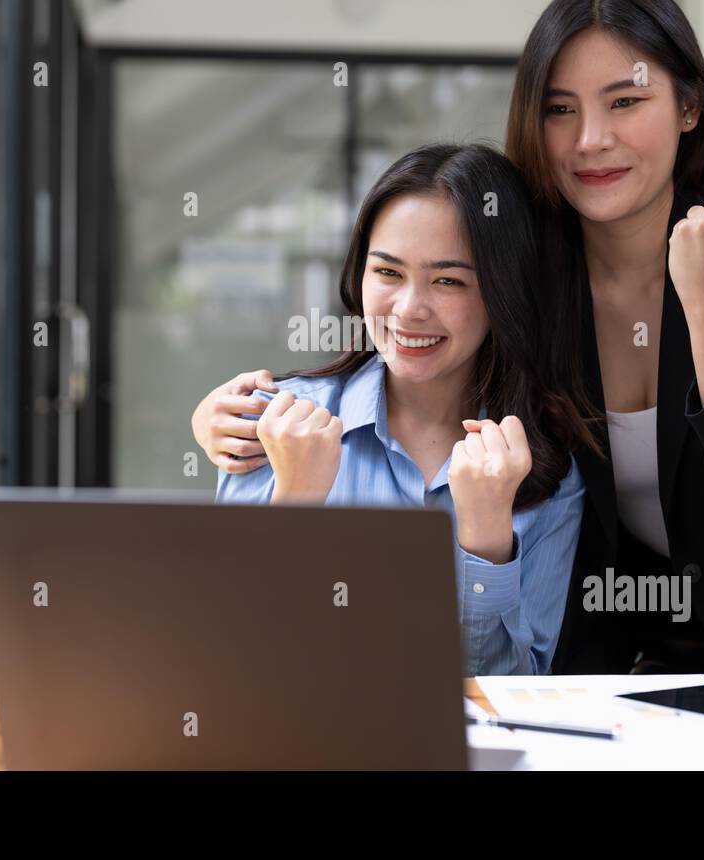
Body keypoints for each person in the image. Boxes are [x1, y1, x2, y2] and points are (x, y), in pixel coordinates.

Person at [196, 0, 704, 675]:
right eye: (560, 109)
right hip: (661, 657)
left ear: (689, 106)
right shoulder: (530, 267)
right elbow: (419, 338)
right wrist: (238, 417)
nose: (589, 139)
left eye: (625, 102)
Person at [215, 143, 592, 676]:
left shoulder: (542, 468)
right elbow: (230, 660)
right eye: (388, 273)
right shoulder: (272, 428)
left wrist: (486, 538)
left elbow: (509, 690)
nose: (410, 309)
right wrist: (294, 504)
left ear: (503, 293)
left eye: (448, 281)